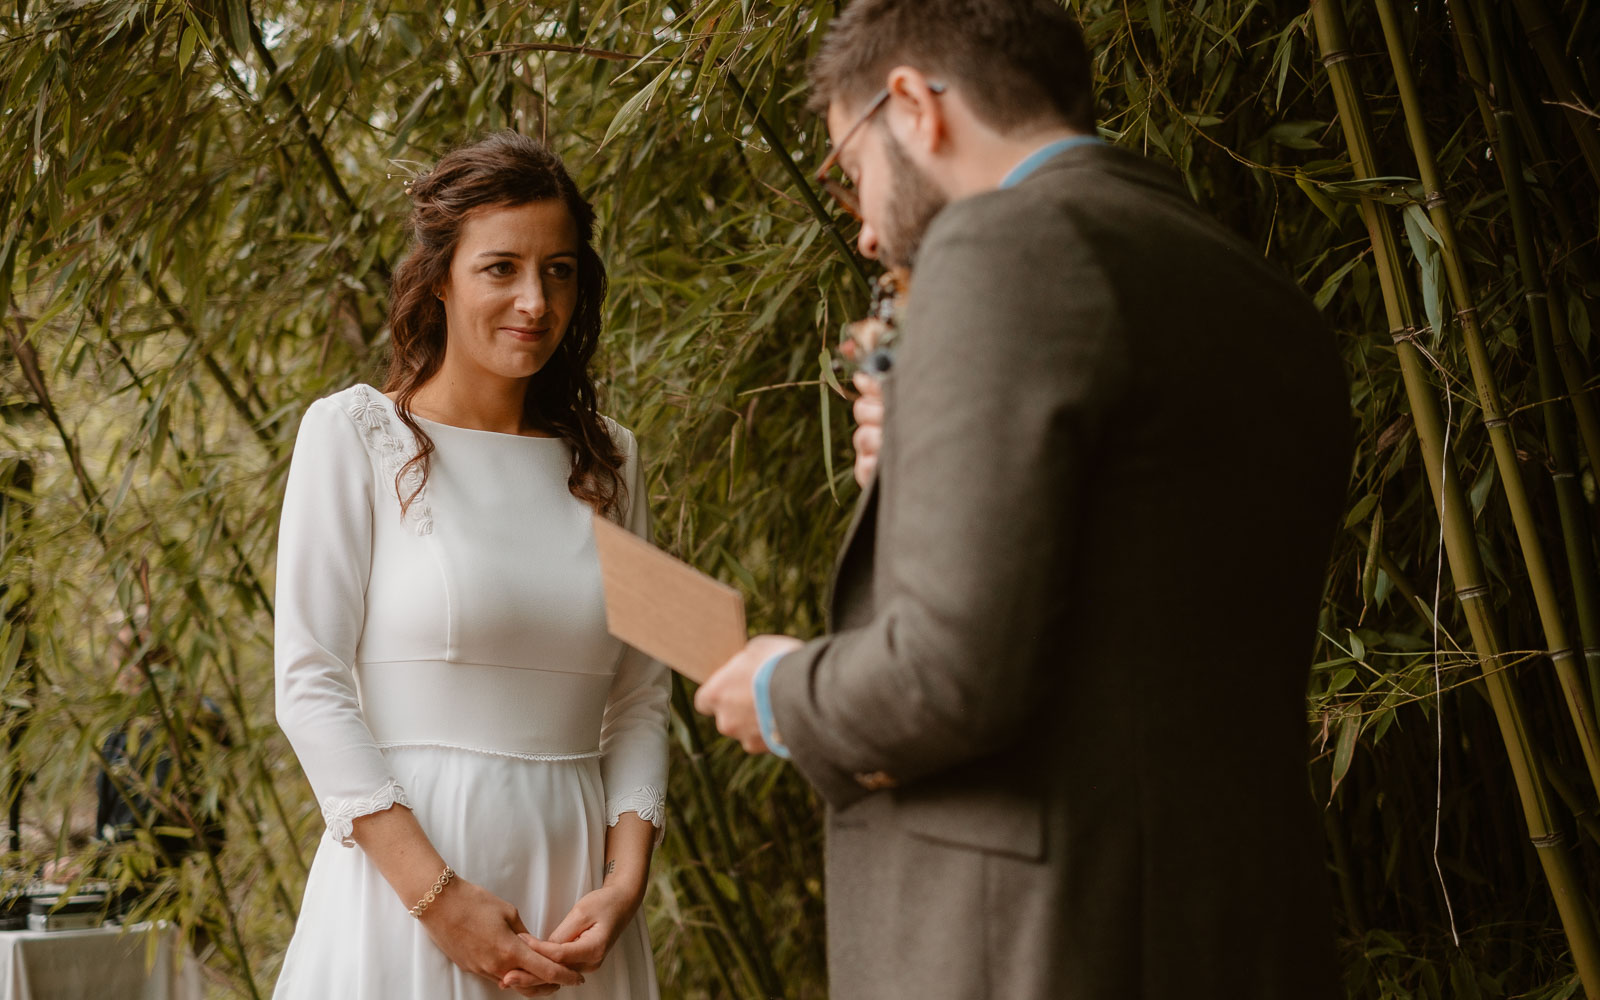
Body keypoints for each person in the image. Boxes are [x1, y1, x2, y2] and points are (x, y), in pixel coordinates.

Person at [694, 2, 1352, 998]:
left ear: (912, 102)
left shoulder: (999, 244)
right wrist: (916, 475)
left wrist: (783, 693)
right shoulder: (1253, 285)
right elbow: (1134, 593)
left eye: (849, 172)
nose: (866, 230)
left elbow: (947, 676)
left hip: (1039, 943)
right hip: (1232, 926)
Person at [272, 132, 668, 1000]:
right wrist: (438, 899)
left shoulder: (617, 464)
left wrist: (624, 883)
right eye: (502, 268)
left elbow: (640, 696)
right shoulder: (351, 436)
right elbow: (309, 684)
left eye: (559, 270)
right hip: (406, 894)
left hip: (575, 915)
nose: (535, 300)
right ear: (440, 277)